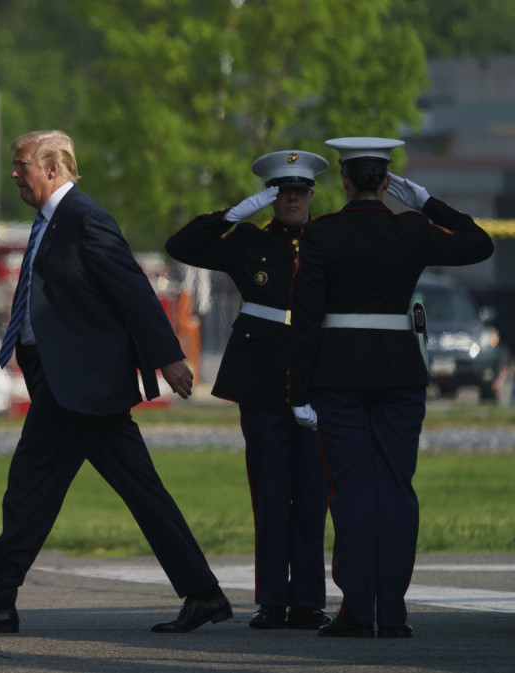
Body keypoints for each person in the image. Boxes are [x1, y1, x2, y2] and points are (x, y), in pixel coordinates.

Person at [0, 129, 231, 636]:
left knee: (31, 487)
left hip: (81, 383)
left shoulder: (85, 218)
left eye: (21, 163)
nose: (13, 173)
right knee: (131, 490)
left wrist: (170, 358)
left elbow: (132, 289)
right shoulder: (52, 220)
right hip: (72, 381)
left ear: (52, 169)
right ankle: (203, 594)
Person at [289, 137, 494, 638]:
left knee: (352, 492)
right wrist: (425, 201)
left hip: (339, 377)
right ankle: (395, 613)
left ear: (342, 178)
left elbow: (307, 319)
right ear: (386, 181)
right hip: (401, 374)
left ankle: (358, 611)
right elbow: (478, 241)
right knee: (397, 491)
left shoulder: (323, 234)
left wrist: (298, 391)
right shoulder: (413, 229)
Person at [164, 150, 332, 631]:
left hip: (317, 380)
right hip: (261, 380)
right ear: (271, 196)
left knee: (312, 493)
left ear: (312, 194)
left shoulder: (326, 241)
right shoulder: (246, 240)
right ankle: (272, 600)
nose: (293, 198)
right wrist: (237, 211)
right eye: (283, 191)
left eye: (300, 190)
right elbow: (182, 244)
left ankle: (309, 601)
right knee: (271, 492)